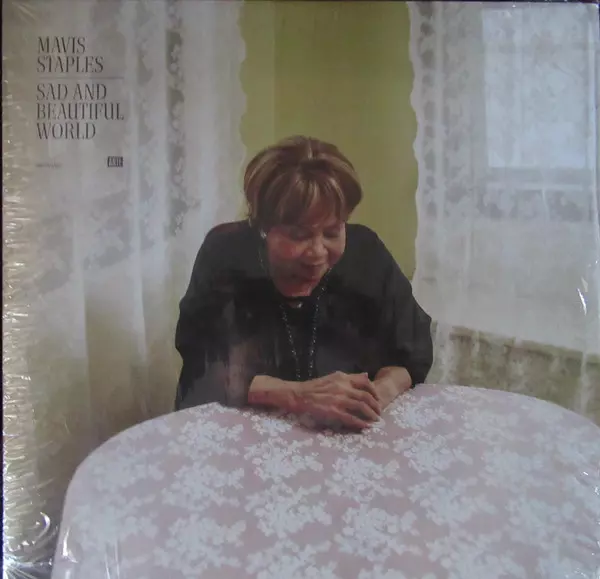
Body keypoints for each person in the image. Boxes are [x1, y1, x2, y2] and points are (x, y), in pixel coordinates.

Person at [175, 135, 433, 430]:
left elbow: (413, 347)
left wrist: (375, 395)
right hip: (240, 431)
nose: (317, 253)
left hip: (341, 435)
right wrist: (298, 395)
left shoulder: (367, 253)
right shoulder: (225, 252)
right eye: (299, 235)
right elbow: (201, 364)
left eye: (332, 232)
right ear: (263, 227)